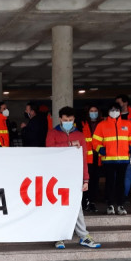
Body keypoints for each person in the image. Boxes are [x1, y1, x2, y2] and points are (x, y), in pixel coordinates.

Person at [47, 107, 100, 249]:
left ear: (74, 120)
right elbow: (50, 150)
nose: (68, 122)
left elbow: (84, 159)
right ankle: (59, 237)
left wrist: (86, 179)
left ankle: (83, 236)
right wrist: (70, 145)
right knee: (58, 206)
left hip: (74, 176)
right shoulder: (53, 133)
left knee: (76, 206)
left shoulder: (80, 135)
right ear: (60, 119)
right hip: (57, 177)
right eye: (65, 120)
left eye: (70, 120)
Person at [92, 102, 131, 215]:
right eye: (112, 109)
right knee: (109, 183)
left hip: (123, 159)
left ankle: (120, 205)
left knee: (120, 183)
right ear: (108, 112)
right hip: (108, 160)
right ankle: (109, 205)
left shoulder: (127, 124)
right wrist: (100, 149)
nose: (114, 112)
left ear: (119, 111)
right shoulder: (102, 125)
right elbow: (95, 141)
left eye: (116, 109)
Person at [81, 105, 101, 212]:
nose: (93, 113)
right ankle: (84, 202)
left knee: (94, 181)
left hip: (97, 157)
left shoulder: (101, 123)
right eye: (91, 111)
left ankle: (92, 202)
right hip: (86, 158)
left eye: (95, 111)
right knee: (85, 181)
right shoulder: (82, 123)